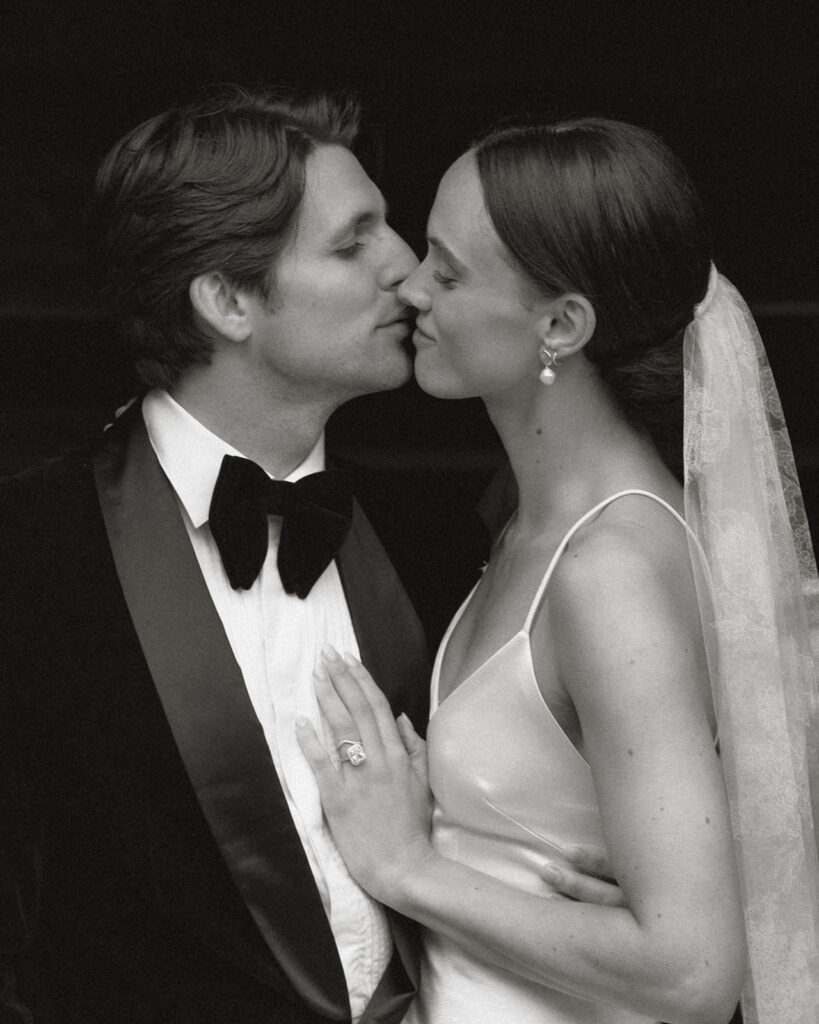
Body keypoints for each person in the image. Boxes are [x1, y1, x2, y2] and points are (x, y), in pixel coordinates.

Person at [0, 87, 613, 1024]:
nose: (407, 269)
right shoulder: (32, 553)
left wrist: (589, 905)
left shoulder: (446, 536)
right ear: (229, 300)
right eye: (352, 241)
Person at [298, 118, 819, 1024]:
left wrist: (407, 867)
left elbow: (690, 975)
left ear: (561, 324)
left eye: (449, 272)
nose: (411, 288)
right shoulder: (530, 522)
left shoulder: (604, 571)